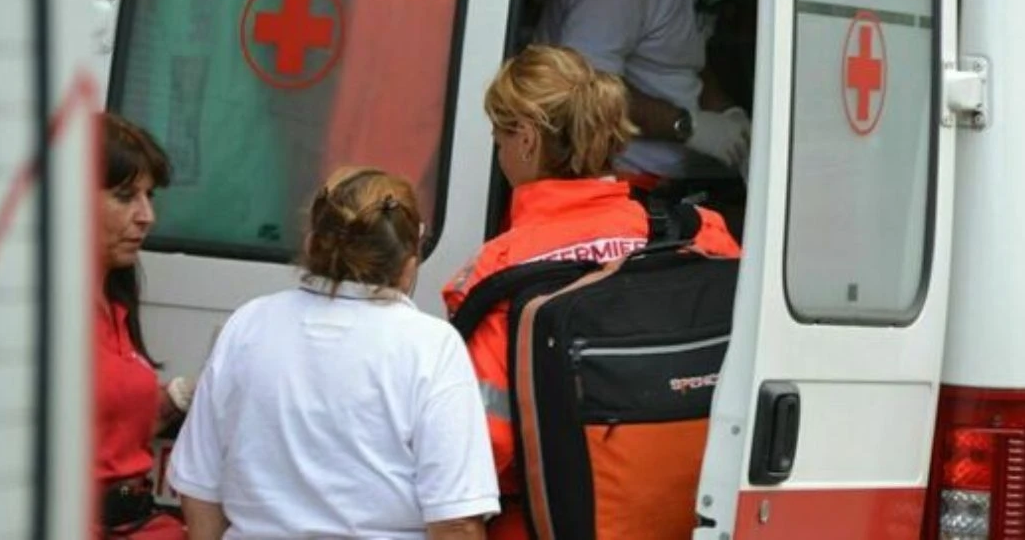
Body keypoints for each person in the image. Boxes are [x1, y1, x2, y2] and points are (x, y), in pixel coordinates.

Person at [442, 45, 741, 540]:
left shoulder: (498, 271)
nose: (500, 155)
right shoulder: (702, 233)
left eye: (499, 139)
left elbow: (481, 453)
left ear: (527, 140)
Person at [168, 167, 499, 540]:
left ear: (312, 244)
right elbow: (456, 522)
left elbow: (199, 488)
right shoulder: (432, 346)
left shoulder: (248, 324)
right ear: (409, 263)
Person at [534, 0, 758, 203]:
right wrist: (686, 126)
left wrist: (729, 116)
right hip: (608, 187)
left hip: (672, 182)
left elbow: (685, 53)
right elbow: (581, 84)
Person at [95, 113, 192, 539]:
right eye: (124, 196)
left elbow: (111, 421)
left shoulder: (115, 306)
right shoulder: (31, 317)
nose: (146, 216)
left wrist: (183, 395)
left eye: (149, 196)